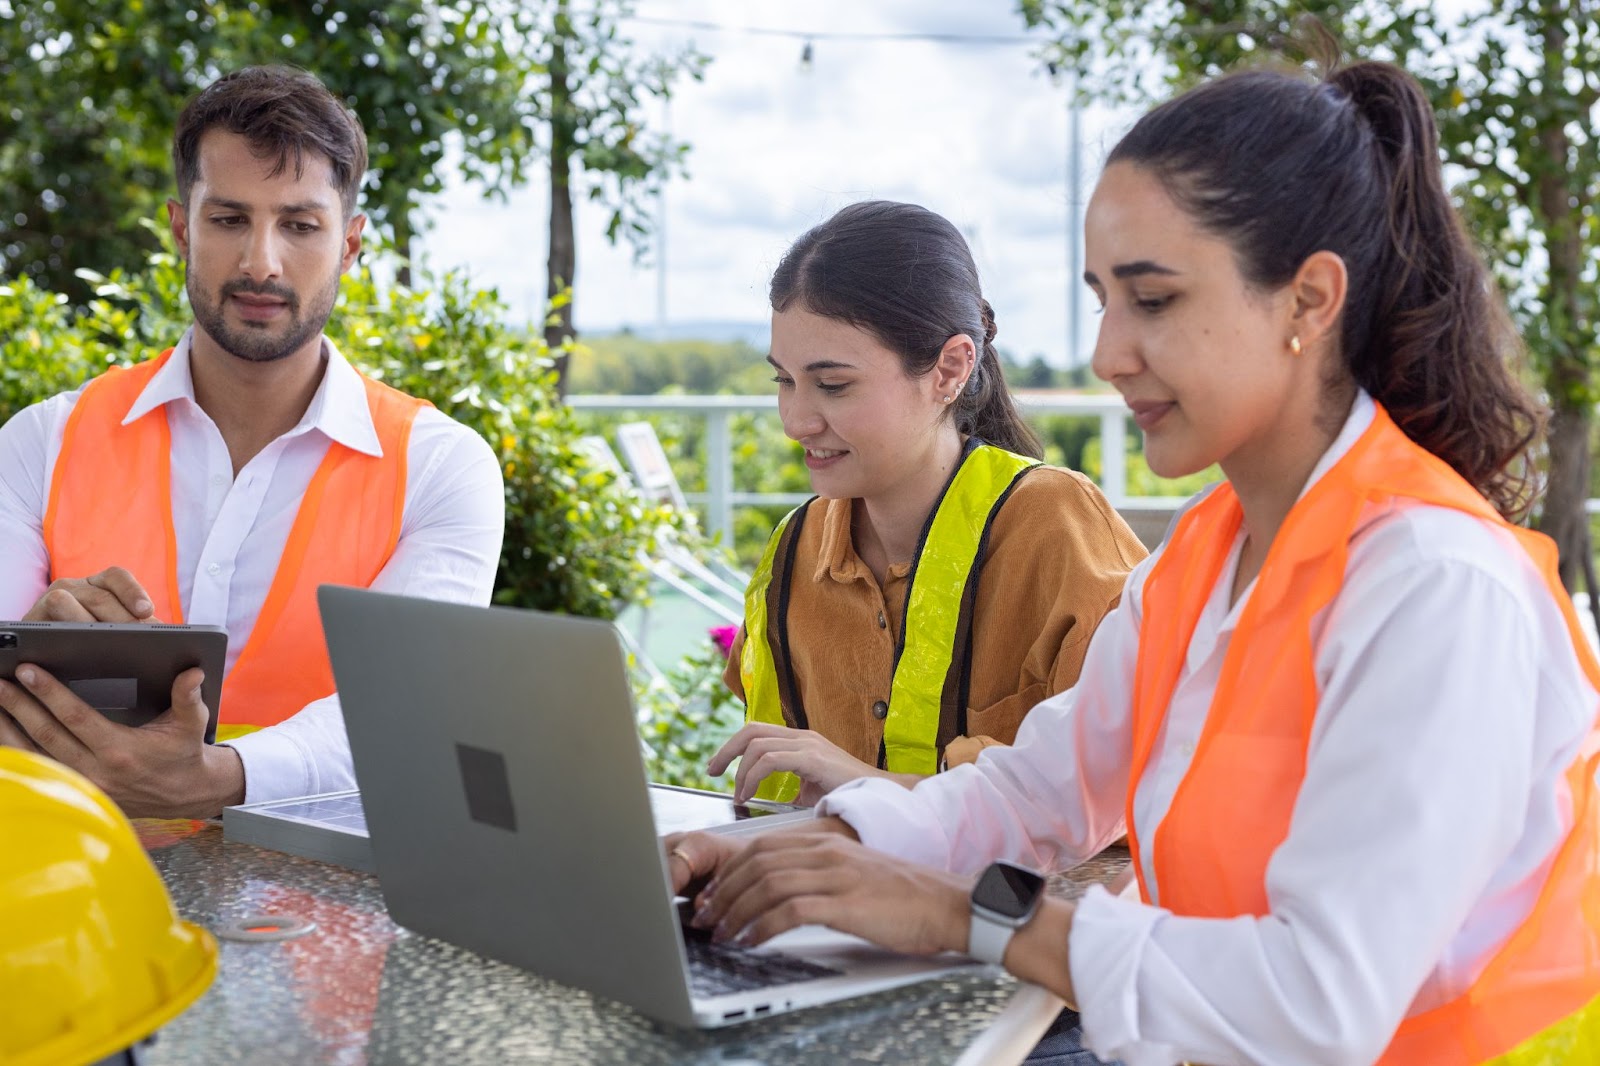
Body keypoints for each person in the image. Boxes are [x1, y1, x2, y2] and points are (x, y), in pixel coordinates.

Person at [668, 60, 1600, 1066]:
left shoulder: (1434, 584)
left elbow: (1316, 1006)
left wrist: (966, 913)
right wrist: (810, 853)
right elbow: (1035, 792)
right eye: (1102, 299)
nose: (1109, 351)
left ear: (1308, 300)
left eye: (1150, 300)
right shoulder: (1204, 558)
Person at [0, 66, 503, 819]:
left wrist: (213, 777)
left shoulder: (440, 467)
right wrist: (23, 654)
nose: (261, 263)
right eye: (229, 219)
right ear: (181, 228)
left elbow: (407, 708)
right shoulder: (44, 439)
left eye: (300, 226)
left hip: (332, 913)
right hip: (81, 902)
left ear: (351, 244)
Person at [714, 201, 1145, 805]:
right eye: (784, 381)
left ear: (949, 369)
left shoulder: (1054, 525)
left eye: (833, 385)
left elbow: (1127, 790)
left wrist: (873, 787)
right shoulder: (793, 548)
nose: (795, 421)